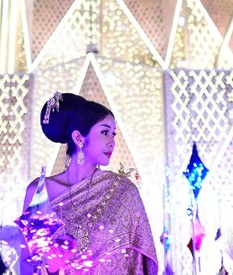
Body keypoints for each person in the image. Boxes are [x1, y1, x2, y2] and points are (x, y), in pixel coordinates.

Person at [19, 92, 158, 274]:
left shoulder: (123, 191)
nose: (112, 142)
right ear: (79, 138)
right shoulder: (40, 192)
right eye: (104, 132)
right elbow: (27, 265)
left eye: (113, 134)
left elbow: (141, 260)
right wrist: (53, 263)